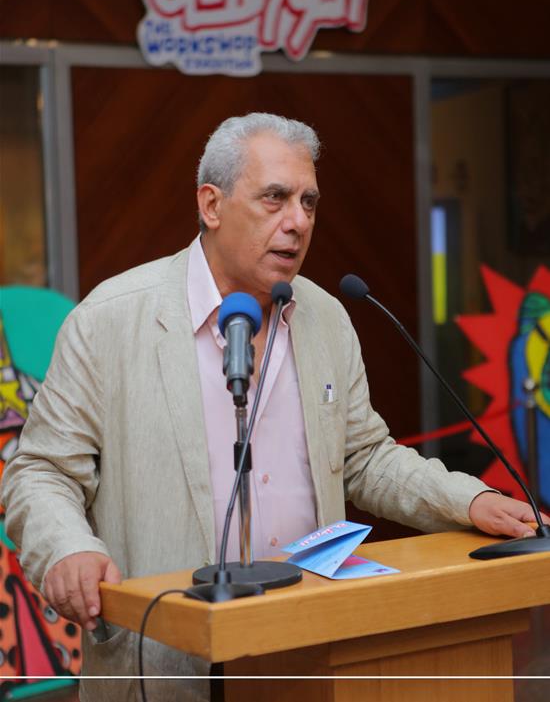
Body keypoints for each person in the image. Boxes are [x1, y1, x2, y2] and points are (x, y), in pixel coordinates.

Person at [2, 113, 546, 701]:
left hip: (310, 652)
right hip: (166, 660)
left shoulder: (326, 317)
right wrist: (69, 548)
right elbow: (40, 471)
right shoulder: (110, 320)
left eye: (309, 202)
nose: (298, 221)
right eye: (275, 198)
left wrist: (470, 499)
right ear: (211, 205)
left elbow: (364, 458)